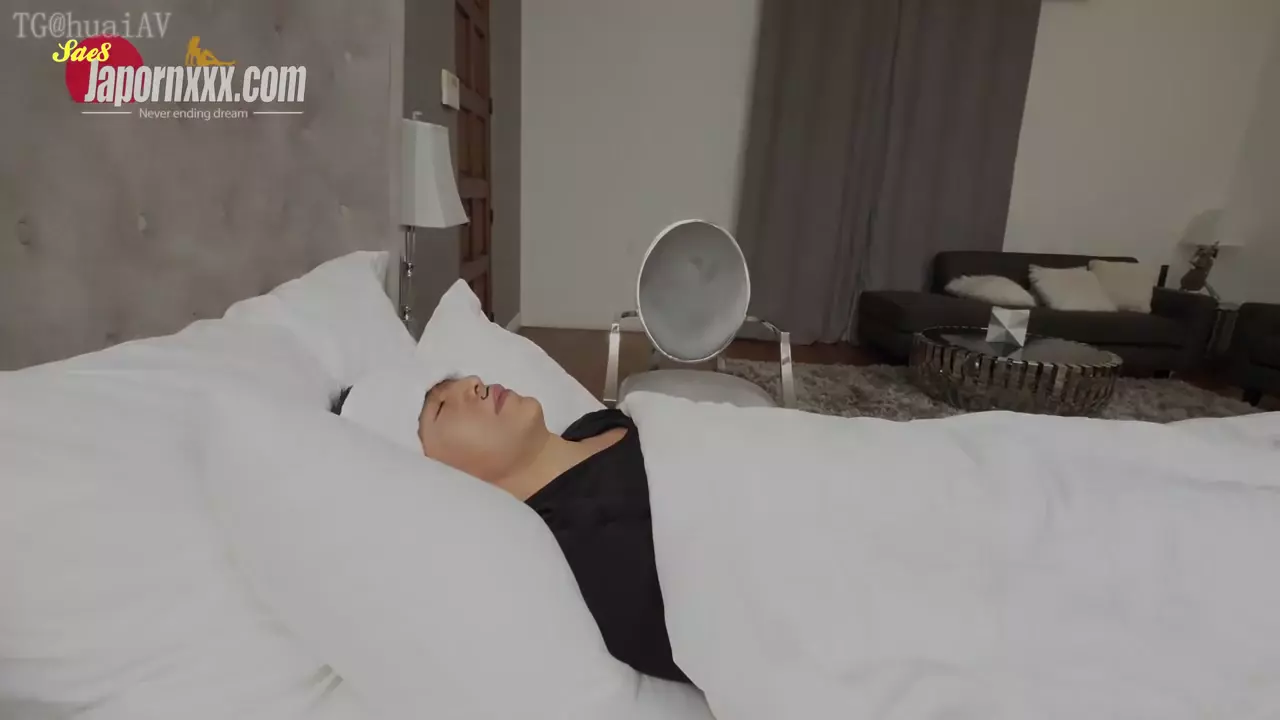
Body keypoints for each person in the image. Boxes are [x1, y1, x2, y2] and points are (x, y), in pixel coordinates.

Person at [415, 374, 690, 685]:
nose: (473, 382)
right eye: (442, 407)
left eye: (457, 381)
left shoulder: (591, 425)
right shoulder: (589, 555)